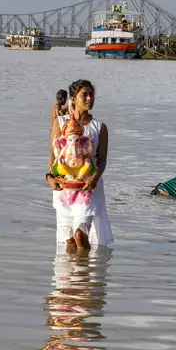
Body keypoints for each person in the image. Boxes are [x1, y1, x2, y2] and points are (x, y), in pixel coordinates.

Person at [46, 80, 114, 252]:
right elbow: (54, 154)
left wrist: (94, 177)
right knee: (68, 240)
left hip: (88, 188)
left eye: (92, 94)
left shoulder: (99, 127)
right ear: (74, 99)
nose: (90, 98)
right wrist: (49, 177)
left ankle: (86, 276)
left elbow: (102, 159)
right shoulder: (60, 123)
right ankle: (71, 276)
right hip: (64, 188)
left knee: (80, 236)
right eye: (85, 94)